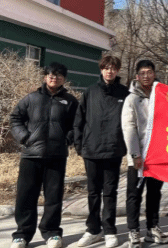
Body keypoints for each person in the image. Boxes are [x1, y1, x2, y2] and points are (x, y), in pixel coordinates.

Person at [9, 62, 79, 248]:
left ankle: (52, 233)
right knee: (25, 197)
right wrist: (25, 137)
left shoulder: (70, 101)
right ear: (45, 77)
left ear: (64, 79)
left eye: (58, 75)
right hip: (30, 156)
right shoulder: (31, 99)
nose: (54, 78)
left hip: (56, 156)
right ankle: (22, 235)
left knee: (53, 197)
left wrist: (67, 139)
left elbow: (77, 124)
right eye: (50, 74)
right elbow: (15, 118)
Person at [74, 55, 129, 248]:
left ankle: (110, 230)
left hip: (113, 149)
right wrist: (79, 145)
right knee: (93, 192)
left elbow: (131, 122)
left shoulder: (124, 93)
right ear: (101, 69)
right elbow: (79, 120)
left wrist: (125, 146)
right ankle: (93, 230)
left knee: (110, 192)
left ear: (117, 70)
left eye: (113, 68)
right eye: (106, 68)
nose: (109, 71)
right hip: (91, 150)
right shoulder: (90, 91)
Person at [121, 60, 168, 248]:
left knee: (155, 193)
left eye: (149, 72)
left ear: (154, 74)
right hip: (138, 156)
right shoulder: (131, 99)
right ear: (137, 76)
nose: (146, 76)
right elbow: (129, 127)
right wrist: (135, 155)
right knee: (134, 194)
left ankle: (152, 228)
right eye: (142, 73)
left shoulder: (161, 96)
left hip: (157, 155)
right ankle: (133, 231)